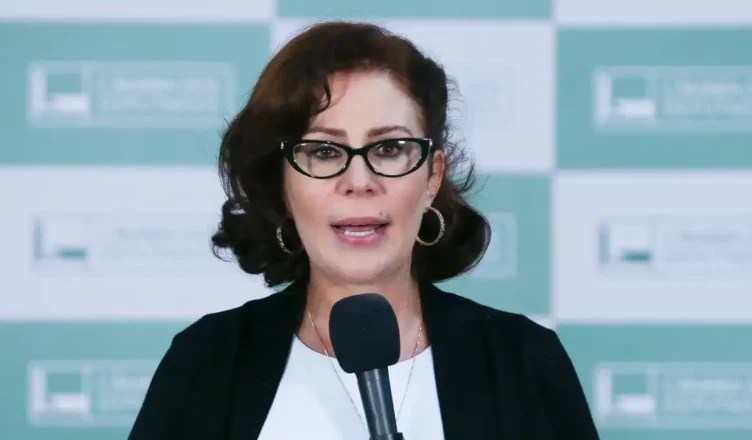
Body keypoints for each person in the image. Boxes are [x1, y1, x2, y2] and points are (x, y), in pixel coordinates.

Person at [128, 21, 600, 440]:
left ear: (432, 177)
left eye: (389, 149)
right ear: (283, 183)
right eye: (324, 152)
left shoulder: (523, 360)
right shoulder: (207, 361)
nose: (359, 181)